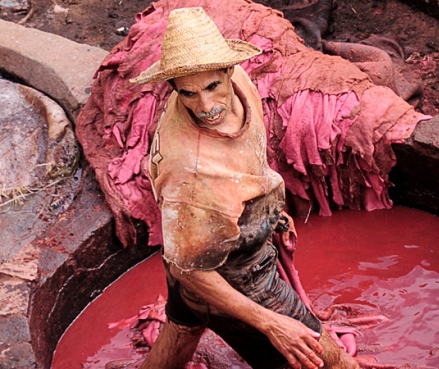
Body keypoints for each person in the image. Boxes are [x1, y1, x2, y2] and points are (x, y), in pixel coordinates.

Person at [130, 7, 359, 369]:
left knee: (180, 334)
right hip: (233, 274)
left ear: (227, 70)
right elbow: (190, 270)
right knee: (333, 364)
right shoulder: (188, 170)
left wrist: (271, 212)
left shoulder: (241, 84)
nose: (205, 107)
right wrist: (272, 324)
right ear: (172, 88)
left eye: (211, 87)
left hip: (205, 240)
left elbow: (248, 160)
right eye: (188, 94)